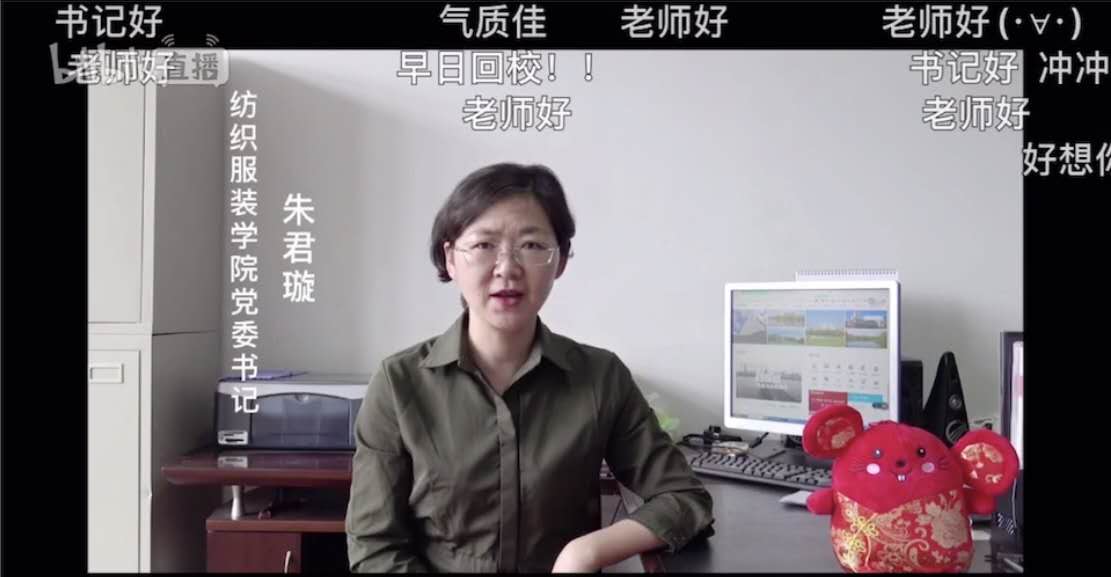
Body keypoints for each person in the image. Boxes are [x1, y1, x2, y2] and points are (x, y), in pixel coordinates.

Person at [345, 163, 714, 573]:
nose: (507, 267)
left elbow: (684, 498)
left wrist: (586, 553)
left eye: (532, 245)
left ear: (560, 261)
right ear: (451, 259)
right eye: (484, 245)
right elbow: (374, 547)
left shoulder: (600, 377)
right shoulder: (398, 383)